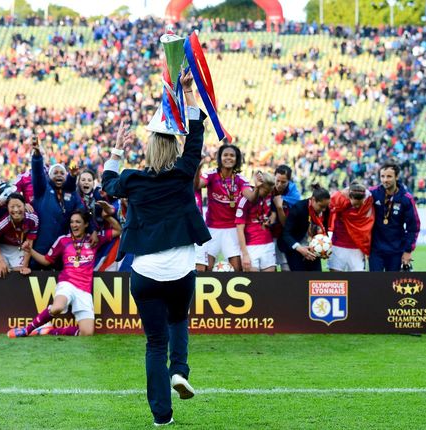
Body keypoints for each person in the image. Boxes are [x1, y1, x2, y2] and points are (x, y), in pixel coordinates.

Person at [101, 71, 210, 427]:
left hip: (145, 274)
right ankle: (179, 370)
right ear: (174, 148)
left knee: (153, 343)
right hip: (180, 271)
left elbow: (107, 183)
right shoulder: (182, 175)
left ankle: (162, 416)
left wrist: (116, 148)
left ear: (148, 148)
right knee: (179, 319)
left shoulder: (132, 179)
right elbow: (196, 138)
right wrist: (190, 93)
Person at [7, 207, 120, 336]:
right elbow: (46, 260)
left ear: (86, 224)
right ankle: (27, 330)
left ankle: (49, 331)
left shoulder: (94, 239)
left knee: (87, 333)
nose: (74, 225)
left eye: (78, 222)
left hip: (84, 289)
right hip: (67, 283)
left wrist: (107, 217)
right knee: (57, 307)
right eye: (72, 222)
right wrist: (30, 251)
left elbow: (118, 230)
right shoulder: (63, 240)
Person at [29, 137, 89, 265]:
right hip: (40, 249)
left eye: (62, 173)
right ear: (49, 176)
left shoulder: (72, 195)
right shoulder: (42, 190)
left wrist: (92, 230)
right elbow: (38, 173)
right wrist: (37, 156)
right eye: (55, 172)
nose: (59, 175)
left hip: (63, 251)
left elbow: (83, 214)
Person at [194, 143, 249, 271]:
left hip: (232, 229)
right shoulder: (211, 175)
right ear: (220, 157)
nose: (228, 158)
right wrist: (198, 167)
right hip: (212, 228)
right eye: (225, 155)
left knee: (237, 268)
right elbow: (197, 185)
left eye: (232, 155)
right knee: (207, 268)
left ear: (237, 159)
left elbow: (250, 196)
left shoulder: (241, 179)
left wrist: (258, 189)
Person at [369, 162, 420, 271]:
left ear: (397, 177)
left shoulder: (406, 198)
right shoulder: (372, 193)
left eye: (389, 176)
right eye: (382, 176)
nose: (385, 180)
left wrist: (407, 251)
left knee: (393, 285)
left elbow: (413, 227)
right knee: (374, 284)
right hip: (376, 250)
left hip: (396, 251)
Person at [278, 184, 331, 272]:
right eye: (321, 206)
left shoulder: (325, 209)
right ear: (313, 200)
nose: (324, 209)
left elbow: (324, 229)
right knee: (299, 283)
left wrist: (325, 248)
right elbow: (286, 233)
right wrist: (300, 248)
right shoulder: (298, 208)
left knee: (315, 282)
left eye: (326, 207)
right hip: (296, 250)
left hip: (314, 250)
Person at [327, 181, 374, 271]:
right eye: (355, 204)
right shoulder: (338, 199)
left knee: (357, 283)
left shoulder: (369, 200)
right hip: (338, 245)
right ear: (349, 197)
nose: (357, 207)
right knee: (336, 282)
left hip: (357, 248)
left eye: (359, 204)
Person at [0, 193, 39, 276]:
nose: (16, 210)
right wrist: (1, 261)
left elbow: (29, 243)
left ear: (25, 205)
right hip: (3, 248)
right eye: (12, 207)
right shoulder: (2, 224)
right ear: (7, 208)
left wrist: (25, 266)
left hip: (19, 248)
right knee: (2, 271)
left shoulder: (33, 219)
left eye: (19, 206)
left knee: (20, 273)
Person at [235, 172, 276, 272]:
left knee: (269, 284)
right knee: (254, 284)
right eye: (266, 191)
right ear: (259, 186)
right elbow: (239, 229)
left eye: (270, 191)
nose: (268, 194)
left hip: (268, 244)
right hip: (251, 246)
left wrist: (270, 220)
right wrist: (245, 254)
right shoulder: (244, 200)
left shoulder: (268, 196)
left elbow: (272, 214)